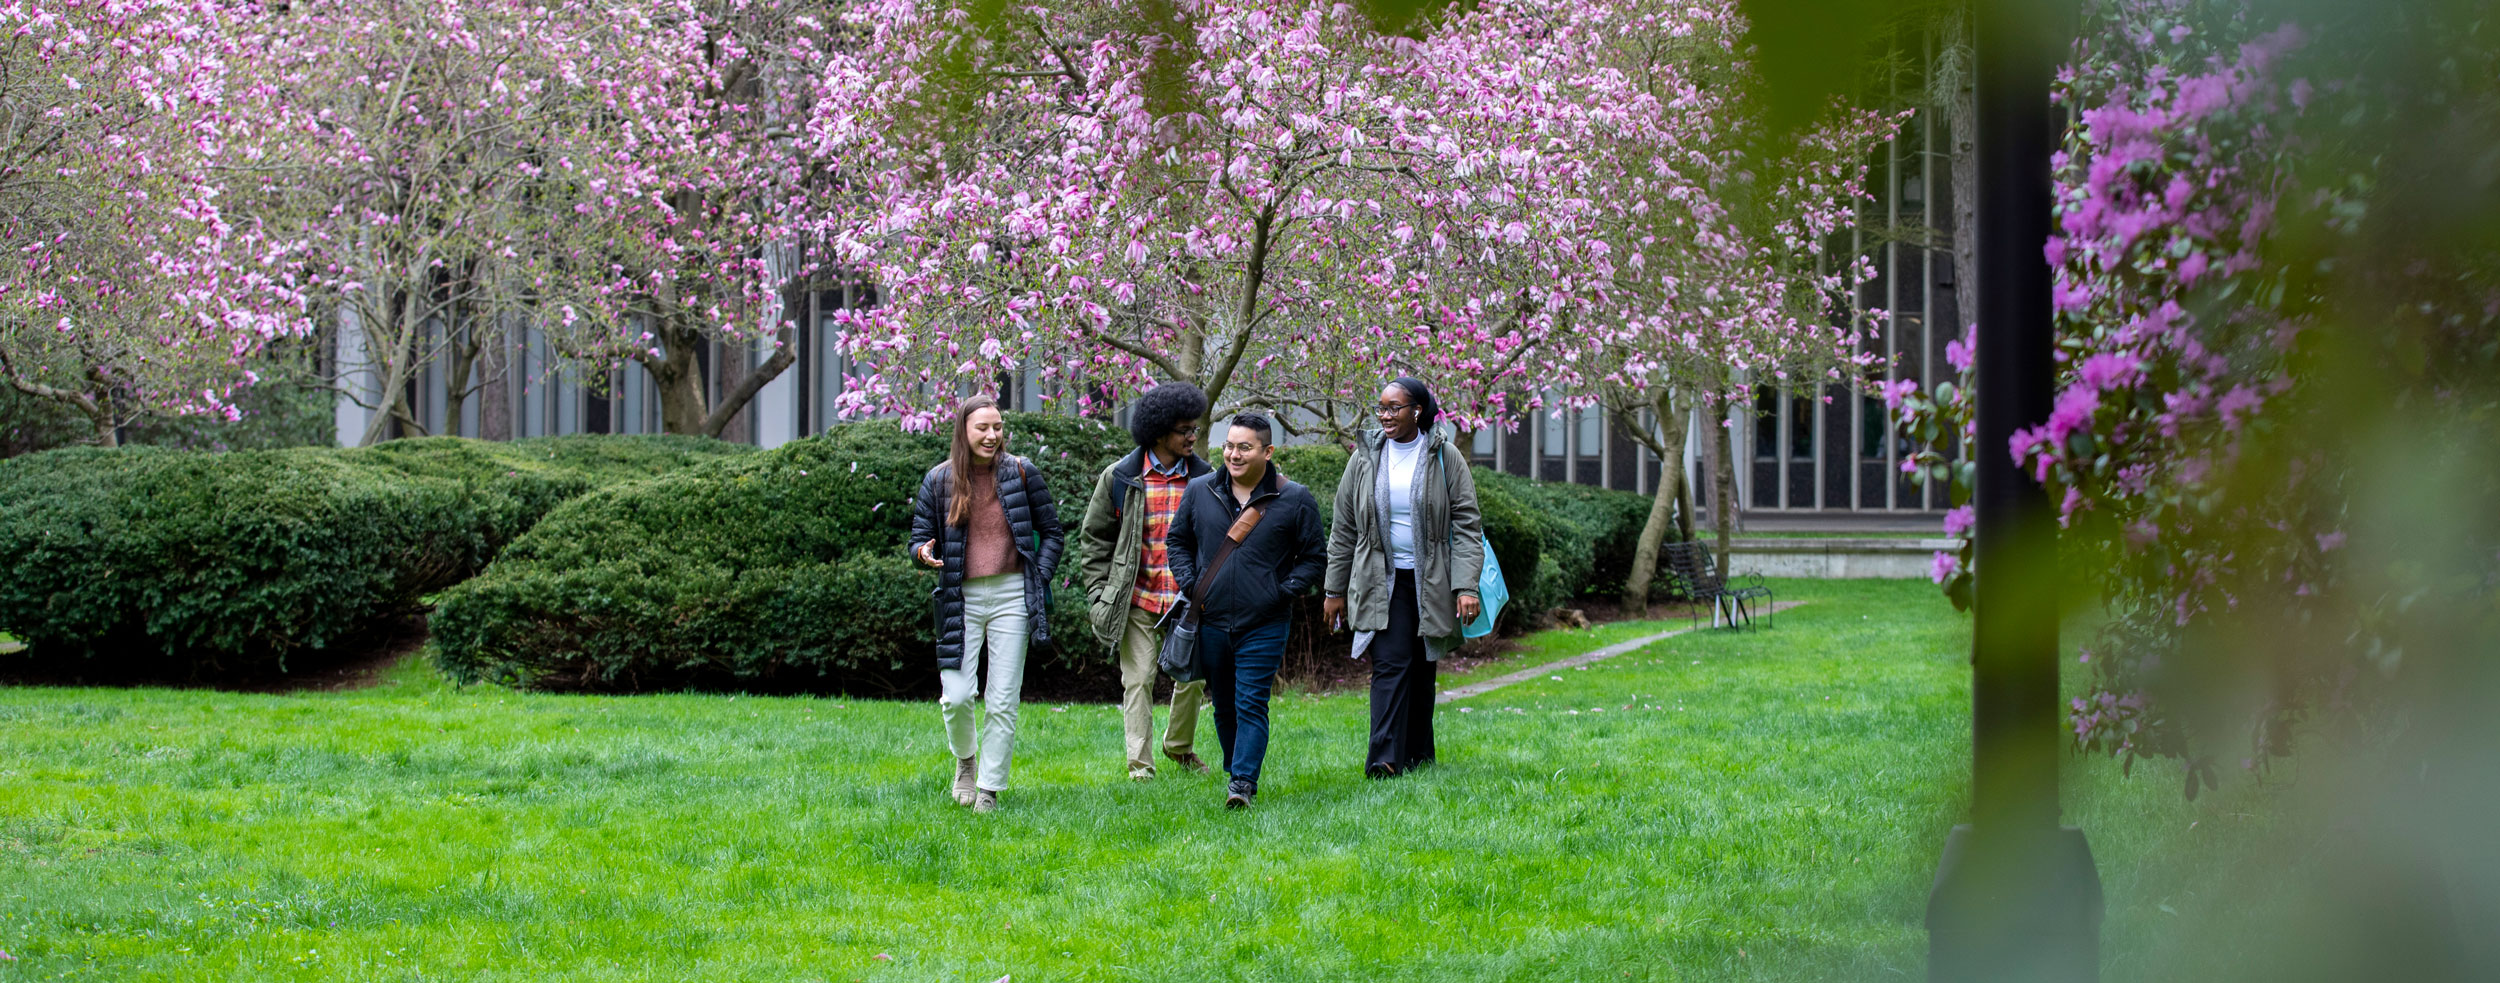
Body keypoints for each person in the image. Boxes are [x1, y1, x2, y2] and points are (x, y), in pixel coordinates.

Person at [909, 395, 1065, 813]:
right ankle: (965, 761)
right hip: (960, 597)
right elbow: (918, 537)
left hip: (1013, 594)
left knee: (1002, 698)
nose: (992, 435)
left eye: (997, 427)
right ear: (964, 430)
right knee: (956, 696)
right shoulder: (939, 480)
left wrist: (1039, 575)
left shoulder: (1021, 472)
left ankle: (989, 789)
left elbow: (1052, 532)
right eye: (983, 428)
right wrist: (922, 553)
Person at [1322, 377, 1484, 778]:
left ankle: (1417, 754)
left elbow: (1466, 524)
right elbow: (1344, 526)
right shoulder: (1364, 457)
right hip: (1381, 578)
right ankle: (1384, 759)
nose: (1385, 415)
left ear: (1417, 410)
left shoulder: (1444, 456)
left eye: (1395, 407)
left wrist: (1466, 585)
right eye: (1381, 407)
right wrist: (1333, 587)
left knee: (1422, 665)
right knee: (1391, 663)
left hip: (1432, 579)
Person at [1168, 413, 1326, 809]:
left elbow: (1313, 558)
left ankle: (1241, 783)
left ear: (1267, 451)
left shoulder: (1294, 498)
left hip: (1266, 622)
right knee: (1223, 703)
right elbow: (1178, 541)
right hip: (1212, 619)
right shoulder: (1200, 490)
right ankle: (1235, 768)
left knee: (1250, 701)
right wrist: (1191, 582)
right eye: (1229, 446)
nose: (1233, 455)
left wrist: (1280, 592)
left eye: (1244, 447)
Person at [1077, 382, 1217, 781]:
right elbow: (1094, 538)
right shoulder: (1120, 477)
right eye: (1184, 430)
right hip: (1136, 597)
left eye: (1195, 428)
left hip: (1187, 597)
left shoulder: (1205, 479)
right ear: (1158, 433)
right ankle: (1140, 767)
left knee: (1191, 678)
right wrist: (1099, 593)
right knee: (1138, 679)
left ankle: (1179, 747)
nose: (1193, 436)